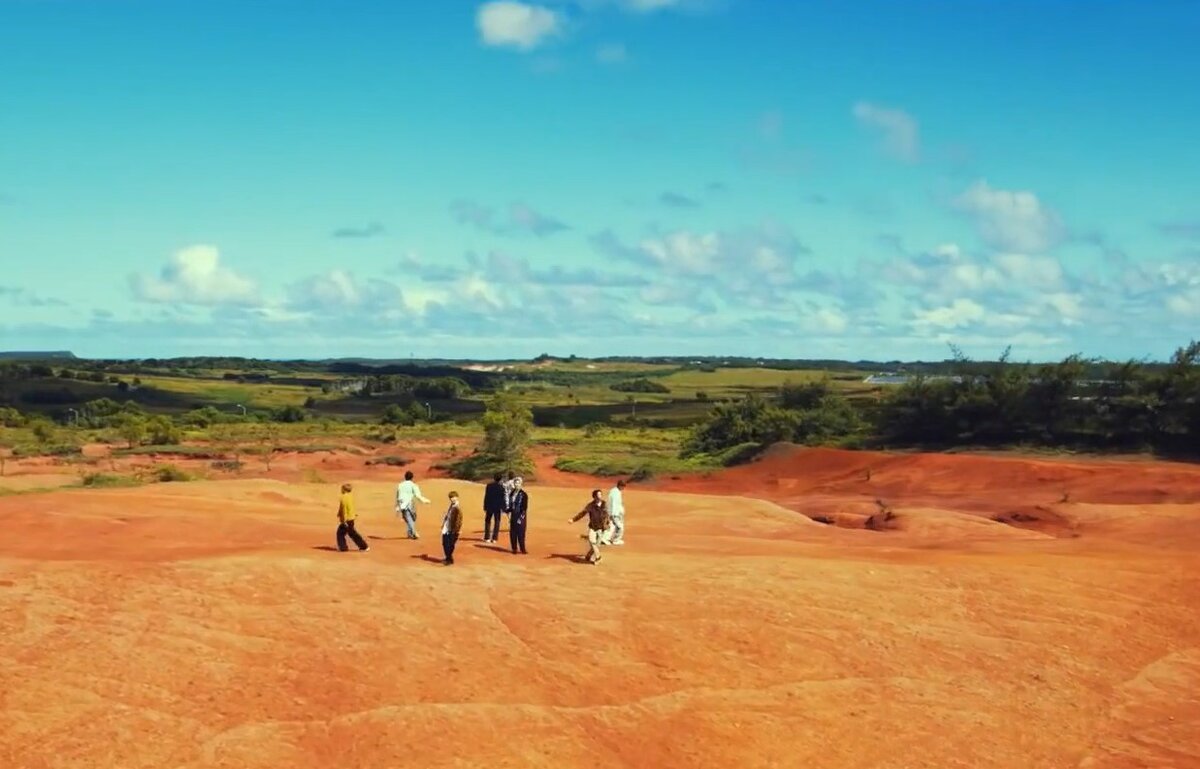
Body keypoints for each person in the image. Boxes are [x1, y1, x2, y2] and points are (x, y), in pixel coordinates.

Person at [568, 489, 609, 565]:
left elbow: (607, 515)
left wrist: (607, 524)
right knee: (592, 541)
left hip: (601, 528)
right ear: (594, 497)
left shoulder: (604, 504)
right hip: (592, 527)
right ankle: (598, 557)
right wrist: (573, 520)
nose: (600, 496)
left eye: (601, 494)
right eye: (598, 495)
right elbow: (582, 513)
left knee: (596, 545)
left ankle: (589, 555)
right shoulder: (591, 506)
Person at [395, 470, 430, 539]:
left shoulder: (400, 485)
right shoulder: (413, 485)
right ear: (412, 477)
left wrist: (397, 506)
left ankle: (410, 533)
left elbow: (397, 496)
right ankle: (414, 532)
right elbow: (418, 495)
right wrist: (425, 501)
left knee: (410, 518)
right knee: (410, 518)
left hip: (402, 504)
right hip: (410, 503)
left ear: (405, 477)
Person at [336, 482, 369, 552]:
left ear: (344, 490)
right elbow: (350, 507)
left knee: (340, 533)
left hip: (347, 519)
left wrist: (344, 520)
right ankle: (363, 546)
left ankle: (343, 548)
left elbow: (344, 509)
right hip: (351, 518)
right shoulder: (350, 496)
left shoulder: (343, 498)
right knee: (351, 533)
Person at [441, 490, 463, 565]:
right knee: (445, 543)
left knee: (449, 545)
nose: (452, 499)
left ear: (457, 497)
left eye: (454, 497)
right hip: (447, 528)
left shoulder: (457, 508)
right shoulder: (452, 506)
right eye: (451, 497)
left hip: (453, 530)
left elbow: (459, 520)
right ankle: (448, 558)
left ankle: (449, 559)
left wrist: (457, 529)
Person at [508, 476, 529, 554]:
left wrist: (521, 518)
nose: (516, 485)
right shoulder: (512, 493)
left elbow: (524, 508)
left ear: (521, 484)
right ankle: (514, 548)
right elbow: (510, 506)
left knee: (521, 533)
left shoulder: (523, 495)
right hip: (513, 515)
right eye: (515, 483)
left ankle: (522, 549)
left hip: (520, 515)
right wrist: (507, 511)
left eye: (518, 483)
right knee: (513, 533)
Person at [483, 472, 505, 543]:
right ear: (500, 479)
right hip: (497, 507)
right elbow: (502, 499)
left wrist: (485, 506)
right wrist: (503, 508)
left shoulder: (489, 486)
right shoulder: (501, 487)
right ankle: (494, 538)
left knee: (487, 521)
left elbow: (486, 497)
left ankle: (487, 537)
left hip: (489, 506)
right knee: (497, 522)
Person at [606, 479, 627, 545]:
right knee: (619, 527)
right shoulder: (615, 493)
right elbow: (614, 503)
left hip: (615, 513)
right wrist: (613, 514)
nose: (623, 488)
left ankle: (606, 538)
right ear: (620, 486)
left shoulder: (615, 491)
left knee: (612, 526)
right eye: (623, 487)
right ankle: (615, 540)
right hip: (615, 513)